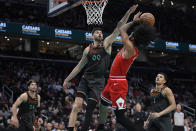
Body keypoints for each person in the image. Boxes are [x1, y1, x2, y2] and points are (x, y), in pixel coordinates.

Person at [63, 4, 139, 131]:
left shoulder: (107, 44)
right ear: (92, 36)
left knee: (89, 109)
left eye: (101, 32)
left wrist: (129, 14)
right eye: (97, 32)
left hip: (98, 82)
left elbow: (118, 27)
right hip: (85, 79)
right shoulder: (88, 50)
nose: (100, 34)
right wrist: (67, 79)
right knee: (76, 106)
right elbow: (79, 67)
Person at [99, 12, 156, 130]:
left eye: (132, 34)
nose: (130, 34)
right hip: (112, 81)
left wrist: (134, 21)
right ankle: (100, 127)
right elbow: (124, 30)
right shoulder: (129, 46)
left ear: (133, 37)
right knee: (103, 102)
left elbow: (121, 29)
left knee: (120, 118)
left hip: (118, 84)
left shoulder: (130, 48)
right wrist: (136, 22)